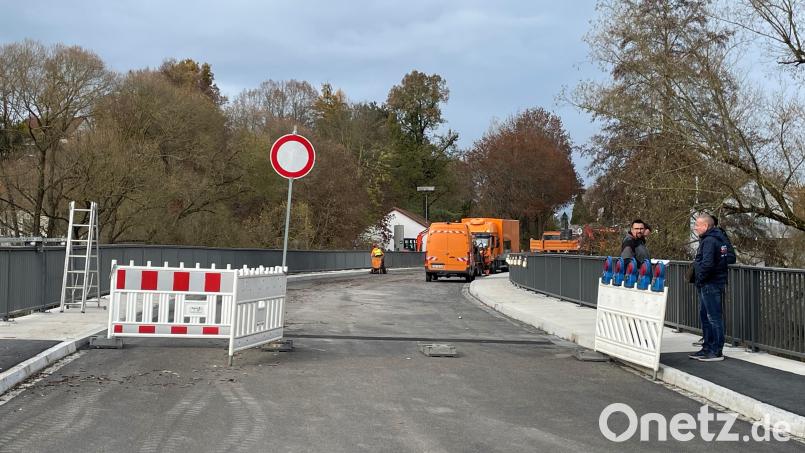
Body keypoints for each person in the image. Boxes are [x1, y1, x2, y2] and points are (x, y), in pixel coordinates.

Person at [689, 213, 731, 362]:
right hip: (712, 282)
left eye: (697, 225)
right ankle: (707, 347)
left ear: (705, 226)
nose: (695, 228)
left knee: (713, 318)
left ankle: (715, 350)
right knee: (707, 317)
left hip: (710, 283)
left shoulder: (710, 241)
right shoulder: (717, 239)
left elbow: (707, 264)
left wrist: (700, 279)